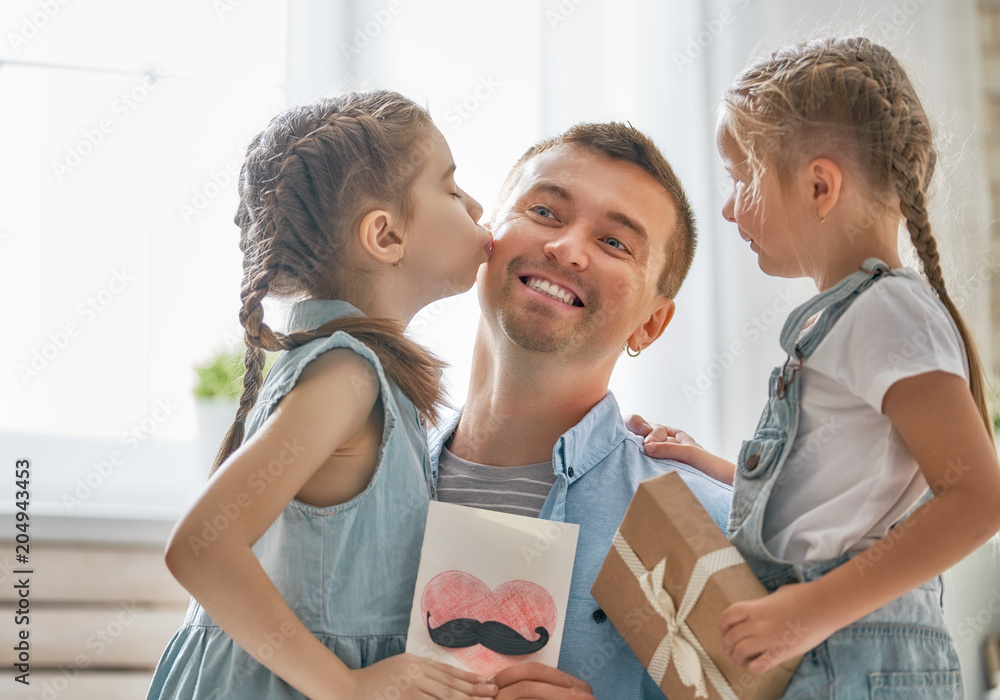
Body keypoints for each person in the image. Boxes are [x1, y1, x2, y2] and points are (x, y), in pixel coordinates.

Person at [638, 37, 1000, 698]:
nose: (726, 208)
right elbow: (836, 491)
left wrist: (808, 612)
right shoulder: (855, 315)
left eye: (740, 178)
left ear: (818, 185)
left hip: (860, 649)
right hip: (830, 647)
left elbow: (979, 501)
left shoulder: (886, 310)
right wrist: (719, 467)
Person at [146, 91, 498, 700]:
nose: (476, 204)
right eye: (450, 187)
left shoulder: (361, 375)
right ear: (385, 235)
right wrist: (346, 685)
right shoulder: (348, 377)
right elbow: (200, 547)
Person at [430, 122, 733, 700]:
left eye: (615, 243)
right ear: (486, 239)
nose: (566, 248)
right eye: (545, 211)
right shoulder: (355, 482)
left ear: (652, 322)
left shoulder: (697, 524)